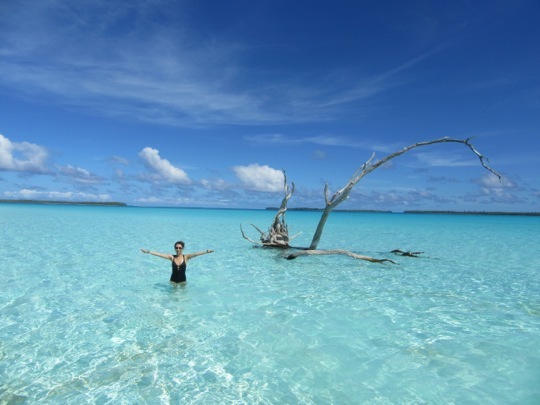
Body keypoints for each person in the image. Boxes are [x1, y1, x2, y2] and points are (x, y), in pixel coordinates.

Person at [140, 241, 214, 284]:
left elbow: (196, 254)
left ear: (182, 248)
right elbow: (160, 255)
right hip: (173, 281)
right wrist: (149, 252)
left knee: (183, 299)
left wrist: (206, 251)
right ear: (174, 248)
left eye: (180, 248)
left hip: (183, 281)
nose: (178, 249)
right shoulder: (172, 257)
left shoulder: (186, 257)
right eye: (176, 247)